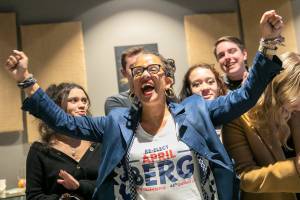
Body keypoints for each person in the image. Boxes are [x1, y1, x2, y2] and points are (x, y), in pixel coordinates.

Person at [4, 10, 283, 200]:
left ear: (169, 81)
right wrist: (27, 80)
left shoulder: (197, 110)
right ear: (132, 85)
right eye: (137, 72)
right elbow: (65, 122)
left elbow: (244, 96)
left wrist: (268, 42)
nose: (145, 75)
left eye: (153, 70)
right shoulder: (117, 123)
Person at [221, 52, 300, 200]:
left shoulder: (296, 112)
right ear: (279, 89)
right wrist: (294, 169)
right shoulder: (238, 118)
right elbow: (244, 177)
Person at [26, 83, 101, 200]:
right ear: (57, 108)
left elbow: (110, 184)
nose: (82, 105)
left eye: (84, 100)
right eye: (74, 100)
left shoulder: (98, 144)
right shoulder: (39, 150)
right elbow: (33, 196)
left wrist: (80, 186)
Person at [179, 63, 227, 140]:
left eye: (210, 82)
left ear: (218, 86)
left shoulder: (234, 113)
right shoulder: (184, 124)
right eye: (197, 84)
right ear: (189, 91)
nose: (205, 88)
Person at [104, 47, 144, 115]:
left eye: (143, 65)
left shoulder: (161, 95)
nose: (139, 70)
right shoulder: (116, 101)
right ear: (124, 73)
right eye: (133, 67)